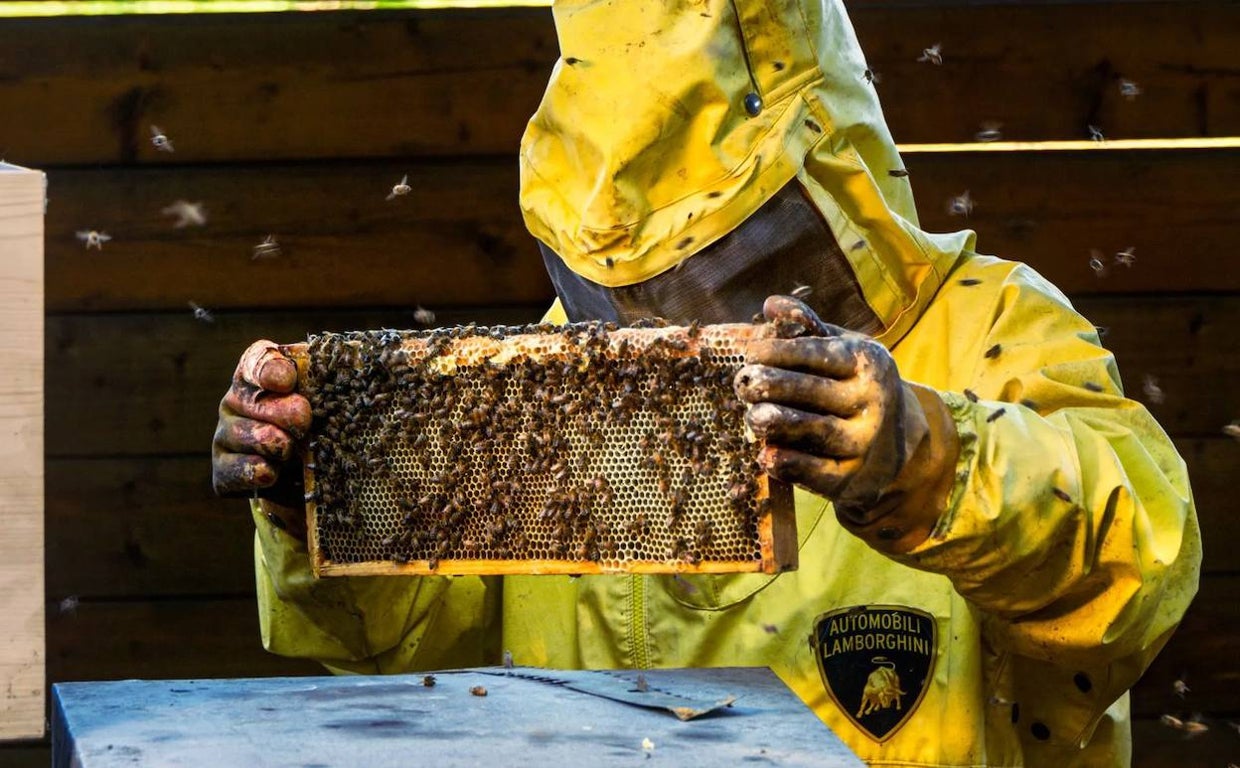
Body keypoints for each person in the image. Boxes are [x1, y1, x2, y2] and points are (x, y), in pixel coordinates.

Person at [211, 1, 1200, 764]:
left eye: (716, 260)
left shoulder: (990, 329)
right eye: (634, 284)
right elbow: (413, 654)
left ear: (821, 182)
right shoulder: (545, 376)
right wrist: (324, 495)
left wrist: (931, 459)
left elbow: (1139, 573)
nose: (678, 318)